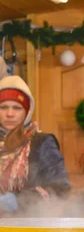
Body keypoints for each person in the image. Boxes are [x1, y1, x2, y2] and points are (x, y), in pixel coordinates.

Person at [0, 76, 70, 214]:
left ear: (26, 112)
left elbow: (60, 188)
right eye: (3, 107)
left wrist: (19, 201)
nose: (9, 114)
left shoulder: (41, 142)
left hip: (28, 227)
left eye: (17, 108)